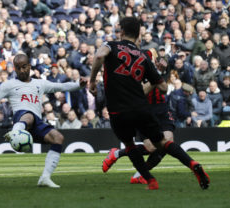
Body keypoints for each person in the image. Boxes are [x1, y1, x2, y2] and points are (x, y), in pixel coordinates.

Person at [89, 17, 209, 190]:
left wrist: (92, 81)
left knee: (130, 145)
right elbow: (162, 87)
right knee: (163, 143)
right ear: (139, 35)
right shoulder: (143, 57)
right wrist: (155, 75)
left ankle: (151, 180)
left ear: (121, 32)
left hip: (118, 110)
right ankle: (192, 163)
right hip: (142, 108)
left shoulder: (111, 45)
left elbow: (99, 55)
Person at [0, 53, 87, 188]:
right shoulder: (9, 85)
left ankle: (45, 177)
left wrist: (79, 84)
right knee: (28, 115)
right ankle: (15, 132)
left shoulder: (39, 83)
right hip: (21, 118)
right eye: (18, 68)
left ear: (29, 66)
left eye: (24, 67)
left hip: (37, 123)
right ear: (14, 69)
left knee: (58, 138)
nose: (21, 70)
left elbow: (62, 87)